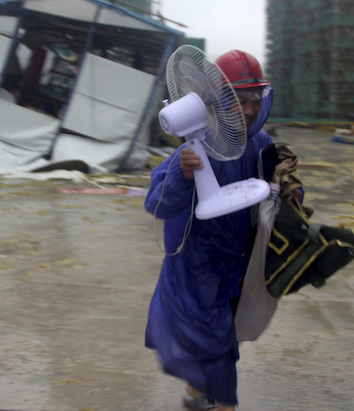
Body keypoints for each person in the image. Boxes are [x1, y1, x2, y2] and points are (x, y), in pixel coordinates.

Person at [143, 49, 276, 411]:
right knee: (218, 348)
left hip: (237, 267)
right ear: (216, 100)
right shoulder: (192, 150)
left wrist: (290, 189)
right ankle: (223, 404)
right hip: (197, 271)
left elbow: (276, 194)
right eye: (239, 100)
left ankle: (193, 393)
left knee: (219, 337)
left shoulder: (261, 146)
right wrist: (182, 176)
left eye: (254, 99)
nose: (249, 110)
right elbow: (156, 203)